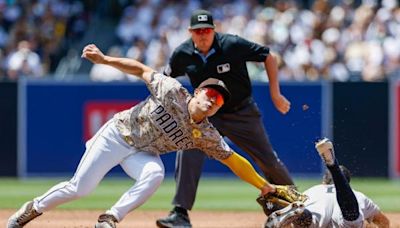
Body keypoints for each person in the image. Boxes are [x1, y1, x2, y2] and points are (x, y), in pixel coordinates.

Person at [7, 44, 300, 228]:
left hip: (143, 153)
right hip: (117, 135)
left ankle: (110, 218)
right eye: (209, 94)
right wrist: (105, 59)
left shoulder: (206, 134)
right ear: (197, 92)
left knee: (155, 175)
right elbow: (141, 69)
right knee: (79, 189)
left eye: (219, 100)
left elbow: (234, 161)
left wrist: (265, 186)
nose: (213, 100)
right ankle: (31, 210)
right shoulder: (172, 90)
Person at [156, 9, 294, 228]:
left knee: (267, 160)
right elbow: (164, 80)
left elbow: (269, 56)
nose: (203, 35)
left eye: (207, 30)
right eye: (198, 30)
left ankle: (298, 205)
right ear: (190, 32)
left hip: (241, 112)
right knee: (189, 147)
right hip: (207, 116)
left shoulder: (231, 45)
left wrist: (275, 94)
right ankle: (180, 213)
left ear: (214, 30)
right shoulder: (182, 54)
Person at [264, 138, 390, 228]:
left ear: (324, 181)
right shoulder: (358, 195)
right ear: (348, 184)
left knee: (308, 220)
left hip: (315, 220)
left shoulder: (313, 190)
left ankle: (301, 216)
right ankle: (333, 165)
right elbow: (384, 223)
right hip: (343, 220)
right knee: (352, 218)